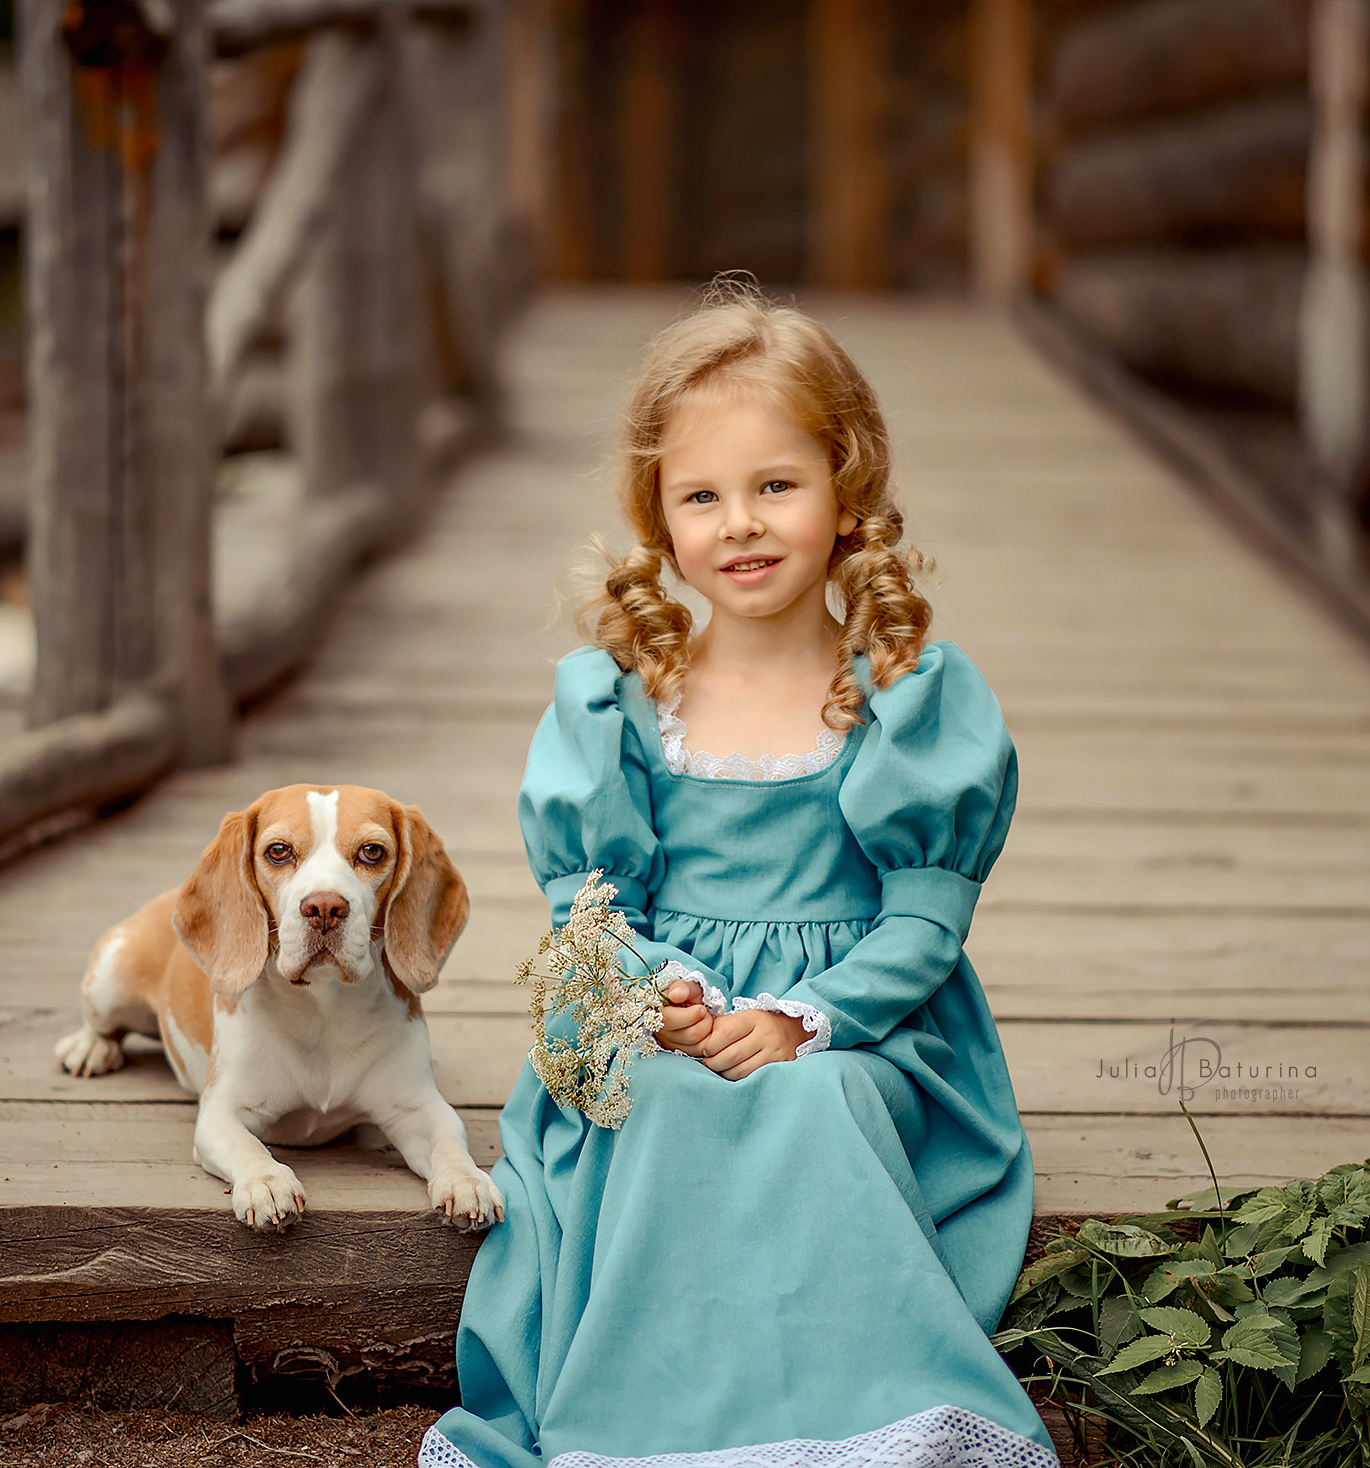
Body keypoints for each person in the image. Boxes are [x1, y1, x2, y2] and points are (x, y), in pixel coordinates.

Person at [422, 283, 1057, 1468]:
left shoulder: (902, 692)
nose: (742, 523)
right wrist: (664, 994)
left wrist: (803, 1018)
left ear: (845, 489)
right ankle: (643, 1431)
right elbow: (591, 911)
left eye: (776, 484)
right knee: (656, 1108)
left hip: (861, 1022)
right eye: (702, 495)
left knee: (814, 1107)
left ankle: (861, 1415)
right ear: (658, 517)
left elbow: (923, 921)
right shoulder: (620, 699)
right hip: (662, 1011)